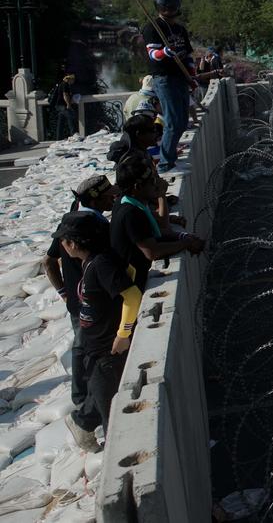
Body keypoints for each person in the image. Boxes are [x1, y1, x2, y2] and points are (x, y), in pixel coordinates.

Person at [55, 210, 141, 452]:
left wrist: (123, 334)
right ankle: (82, 424)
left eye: (63, 240)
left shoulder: (101, 264)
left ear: (73, 242)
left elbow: (132, 296)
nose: (61, 245)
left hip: (107, 351)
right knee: (100, 395)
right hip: (96, 348)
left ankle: (112, 450)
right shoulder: (91, 262)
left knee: (111, 413)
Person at [43, 175, 115, 432]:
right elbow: (48, 261)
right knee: (92, 356)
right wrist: (64, 293)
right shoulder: (81, 225)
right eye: (108, 195)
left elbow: (50, 261)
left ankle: (85, 405)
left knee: (84, 350)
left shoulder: (81, 218)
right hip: (90, 305)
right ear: (94, 198)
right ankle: (84, 411)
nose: (113, 197)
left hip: (86, 301)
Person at [111, 154, 204, 286]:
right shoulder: (131, 213)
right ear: (137, 188)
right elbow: (152, 252)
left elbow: (158, 231)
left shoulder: (129, 202)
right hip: (135, 283)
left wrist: (183, 236)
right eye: (152, 182)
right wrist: (186, 243)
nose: (156, 184)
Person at [142, 0, 196, 171]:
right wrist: (164, 52)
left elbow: (188, 56)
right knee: (172, 121)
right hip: (164, 78)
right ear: (159, 6)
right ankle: (165, 164)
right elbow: (152, 54)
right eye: (165, 4)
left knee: (182, 121)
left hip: (181, 78)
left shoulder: (180, 29)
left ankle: (170, 155)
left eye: (172, 4)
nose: (169, 8)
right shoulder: (152, 27)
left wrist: (192, 76)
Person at [49, 72, 78, 140]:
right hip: (62, 105)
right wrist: (68, 104)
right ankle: (74, 134)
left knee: (61, 121)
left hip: (58, 105)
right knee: (70, 116)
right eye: (73, 79)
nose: (73, 81)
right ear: (69, 79)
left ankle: (59, 138)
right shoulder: (65, 84)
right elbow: (65, 95)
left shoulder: (62, 84)